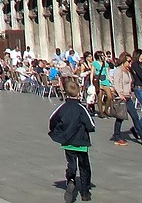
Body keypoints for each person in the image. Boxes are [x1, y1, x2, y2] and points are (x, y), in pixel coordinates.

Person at [48, 75, 96, 203]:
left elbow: (52, 120)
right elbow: (91, 125)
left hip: (67, 142)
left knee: (71, 163)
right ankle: (85, 193)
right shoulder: (81, 109)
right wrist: (89, 129)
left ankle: (71, 179)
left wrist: (57, 132)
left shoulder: (62, 108)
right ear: (79, 93)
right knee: (84, 166)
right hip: (81, 141)